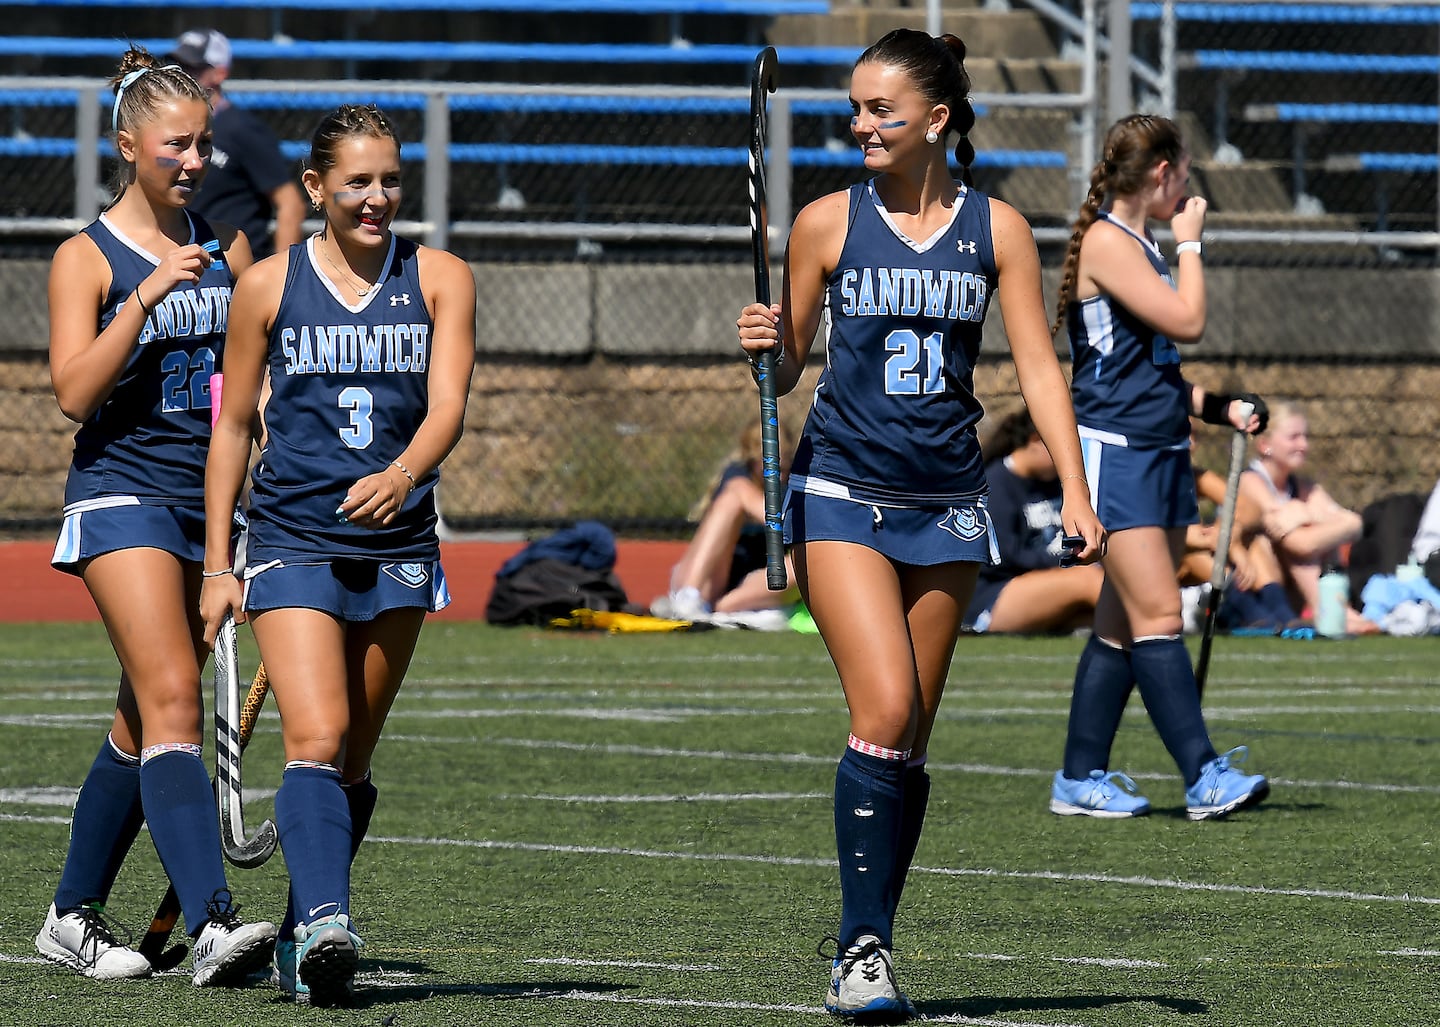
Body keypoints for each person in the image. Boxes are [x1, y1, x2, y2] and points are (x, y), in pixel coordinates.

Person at [736, 29, 1104, 1018]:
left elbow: (1036, 368)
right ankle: (860, 947)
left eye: (879, 110)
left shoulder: (1000, 231)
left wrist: (1074, 487)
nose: (859, 124)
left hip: (949, 504)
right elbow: (786, 373)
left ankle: (868, 950)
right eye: (854, 107)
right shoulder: (823, 223)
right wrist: (767, 347)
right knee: (885, 709)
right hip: (843, 493)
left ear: (936, 119)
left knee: (908, 744)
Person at [201, 102, 476, 1007]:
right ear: (316, 186)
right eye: (356, 181)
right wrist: (216, 562)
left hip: (399, 544)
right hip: (292, 539)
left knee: (352, 760)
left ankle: (294, 939)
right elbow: (234, 424)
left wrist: (403, 474)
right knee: (314, 739)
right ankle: (327, 919)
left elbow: (447, 410)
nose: (376, 197)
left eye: (390, 179)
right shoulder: (267, 285)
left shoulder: (441, 277)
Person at [38, 47, 277, 986]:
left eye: (203, 146)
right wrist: (145, 294)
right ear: (128, 145)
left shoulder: (230, 244)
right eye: (175, 145)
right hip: (119, 493)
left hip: (206, 502)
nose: (193, 161)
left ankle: (68, 914)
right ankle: (215, 923)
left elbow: (254, 387)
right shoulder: (84, 255)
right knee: (178, 694)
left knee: (143, 721)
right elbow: (71, 391)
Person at [1046, 113, 1271, 823]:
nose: (1188, 188)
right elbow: (1187, 320)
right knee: (1159, 615)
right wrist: (1193, 243)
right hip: (1118, 453)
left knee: (1120, 625)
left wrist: (1218, 406)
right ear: (1162, 174)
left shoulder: (1138, 242)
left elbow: (1152, 365)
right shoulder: (1114, 245)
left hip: (1160, 446)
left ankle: (1079, 776)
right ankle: (1203, 775)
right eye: (1184, 173)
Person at [1231, 401, 1377, 634]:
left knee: (1316, 534)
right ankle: (1330, 611)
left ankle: (1336, 609)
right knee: (1301, 539)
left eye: (1305, 436)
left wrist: (1305, 513)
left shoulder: (1303, 486)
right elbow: (1298, 542)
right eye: (1294, 437)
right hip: (1249, 589)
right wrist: (1322, 520)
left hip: (1289, 592)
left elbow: (1355, 523)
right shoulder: (1251, 482)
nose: (1303, 445)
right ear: (1265, 444)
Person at [962, 407, 1105, 634]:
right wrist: (1068, 561)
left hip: (1049, 584)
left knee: (1095, 614)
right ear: (1037, 440)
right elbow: (1007, 557)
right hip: (995, 595)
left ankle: (1163, 613)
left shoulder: (1058, 484)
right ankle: (1165, 614)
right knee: (1088, 580)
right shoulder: (995, 483)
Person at [169, 28, 306, 261]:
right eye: (178, 67)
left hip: (233, 267)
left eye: (194, 68)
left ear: (220, 73)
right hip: (186, 263)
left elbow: (290, 204)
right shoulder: (168, 129)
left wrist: (284, 277)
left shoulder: (243, 130)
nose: (184, 75)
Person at [654, 420, 801, 628]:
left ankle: (725, 612)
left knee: (807, 561)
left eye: (783, 464)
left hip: (756, 583)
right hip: (711, 577)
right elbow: (760, 509)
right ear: (752, 459)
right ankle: (688, 599)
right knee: (735, 492)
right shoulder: (737, 478)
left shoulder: (796, 483)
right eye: (769, 464)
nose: (778, 471)